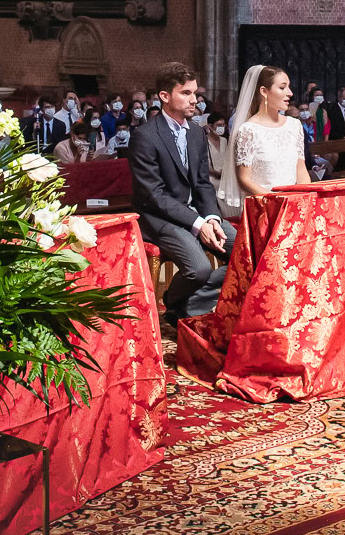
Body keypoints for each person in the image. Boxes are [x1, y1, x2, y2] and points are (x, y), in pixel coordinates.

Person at [130, 61, 235, 335]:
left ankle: (185, 307)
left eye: (195, 93)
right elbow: (153, 195)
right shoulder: (144, 136)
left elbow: (202, 184)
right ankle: (174, 303)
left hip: (197, 214)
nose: (194, 100)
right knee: (199, 269)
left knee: (249, 253)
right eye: (186, 93)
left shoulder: (197, 133)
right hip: (160, 218)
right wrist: (199, 224)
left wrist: (211, 217)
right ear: (165, 96)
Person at [231, 66, 312, 205]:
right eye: (282, 87)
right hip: (265, 205)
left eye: (289, 87)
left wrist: (306, 197)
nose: (290, 93)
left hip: (294, 204)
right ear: (264, 91)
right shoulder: (249, 130)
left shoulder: (294, 125)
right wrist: (276, 200)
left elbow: (300, 168)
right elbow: (244, 179)